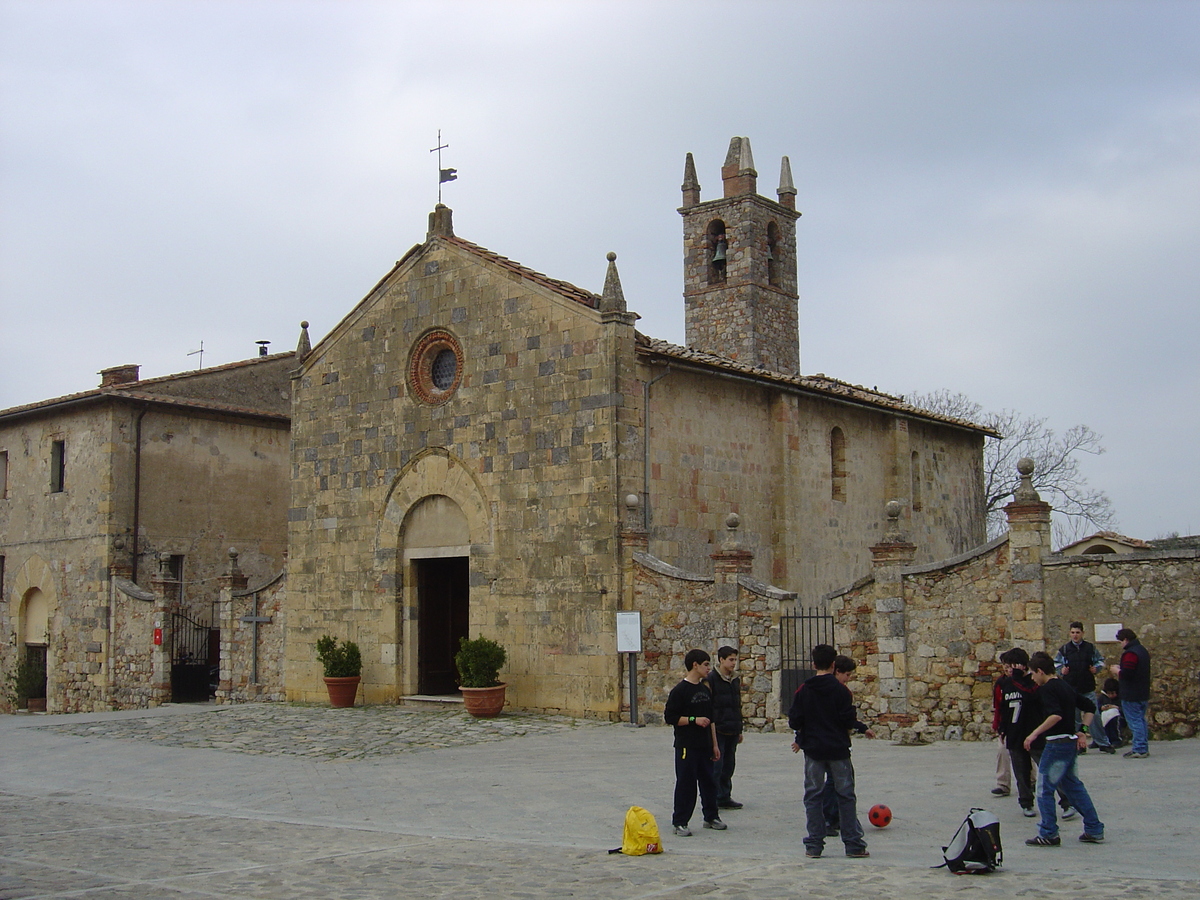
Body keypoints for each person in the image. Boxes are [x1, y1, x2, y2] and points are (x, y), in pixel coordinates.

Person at [788, 644, 873, 859]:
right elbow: (847, 719)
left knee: (813, 796)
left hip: (814, 750)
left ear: (813, 664)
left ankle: (814, 844)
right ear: (834, 664)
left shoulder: (804, 690)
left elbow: (795, 720)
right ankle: (853, 844)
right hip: (838, 749)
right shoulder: (841, 691)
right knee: (845, 796)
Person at [1023, 651, 1105, 846]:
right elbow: (1089, 706)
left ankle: (1049, 832)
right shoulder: (1065, 686)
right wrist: (1083, 730)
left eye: (1033, 674)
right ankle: (1094, 828)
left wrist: (1034, 734)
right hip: (1069, 743)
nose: (1033, 679)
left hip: (1056, 743)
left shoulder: (1047, 690)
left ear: (1040, 671)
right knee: (1073, 786)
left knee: (1044, 789)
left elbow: (1056, 715)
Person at [664, 648, 726, 836]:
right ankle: (680, 821)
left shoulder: (705, 689)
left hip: (705, 745)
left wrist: (714, 744)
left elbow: (711, 718)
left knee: (709, 782)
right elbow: (670, 717)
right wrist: (693, 720)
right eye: (706, 665)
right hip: (686, 745)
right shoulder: (680, 691)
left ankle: (711, 816)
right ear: (695, 665)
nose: (708, 668)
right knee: (686, 783)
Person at [818, 655, 875, 836]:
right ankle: (829, 818)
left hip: (823, 741)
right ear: (837, 671)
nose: (848, 679)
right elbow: (845, 718)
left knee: (836, 781)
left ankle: (833, 818)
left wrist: (861, 728)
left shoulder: (821, 689)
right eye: (847, 675)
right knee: (838, 781)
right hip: (834, 743)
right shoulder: (839, 692)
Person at [1054, 621, 1114, 754]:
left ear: (1082, 633)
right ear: (1069, 633)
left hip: (1087, 688)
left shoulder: (1090, 648)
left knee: (1094, 717)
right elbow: (1056, 664)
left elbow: (1100, 661)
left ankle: (1102, 742)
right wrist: (1061, 671)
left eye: (1078, 632)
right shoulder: (1064, 650)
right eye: (1073, 632)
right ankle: (1078, 745)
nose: (1075, 635)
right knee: (1075, 719)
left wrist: (1096, 668)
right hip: (1071, 689)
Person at [996, 648, 1039, 817]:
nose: (1009, 669)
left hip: (1032, 731)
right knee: (1020, 770)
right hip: (1014, 733)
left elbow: (1030, 696)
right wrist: (1002, 728)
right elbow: (1004, 707)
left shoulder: (1031, 682)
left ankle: (1065, 801)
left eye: (1012, 665)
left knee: (1046, 768)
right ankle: (1026, 802)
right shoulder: (1005, 684)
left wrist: (1018, 678)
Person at [707, 645, 744, 810]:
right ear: (721, 660)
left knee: (729, 765)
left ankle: (724, 796)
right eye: (730, 660)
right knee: (717, 766)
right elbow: (710, 706)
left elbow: (737, 705)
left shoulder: (735, 679)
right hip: (719, 728)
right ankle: (711, 797)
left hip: (733, 728)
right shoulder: (712, 679)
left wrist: (739, 729)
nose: (733, 663)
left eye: (735, 660)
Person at [1110, 628, 1152, 758]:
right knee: (1140, 720)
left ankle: (1139, 748)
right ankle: (1142, 746)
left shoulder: (1131, 653)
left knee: (1134, 721)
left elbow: (1128, 673)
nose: (1120, 644)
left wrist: (1117, 671)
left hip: (1131, 693)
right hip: (1142, 692)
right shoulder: (1142, 651)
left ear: (1126, 640)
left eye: (1120, 641)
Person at [990, 654, 1015, 797]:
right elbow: (998, 706)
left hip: (1022, 724)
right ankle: (1003, 783)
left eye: (1010, 665)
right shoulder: (1000, 683)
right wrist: (997, 725)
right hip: (1005, 724)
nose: (1007, 668)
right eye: (1005, 665)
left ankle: (1031, 781)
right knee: (1002, 751)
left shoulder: (1025, 682)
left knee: (1025, 754)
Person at [1098, 677, 1125, 748]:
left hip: (1118, 717)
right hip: (1104, 716)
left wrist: (1116, 707)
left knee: (1114, 719)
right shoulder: (1102, 697)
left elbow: (1125, 710)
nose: (1110, 695)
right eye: (1108, 693)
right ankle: (1099, 740)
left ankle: (1116, 739)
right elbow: (1097, 707)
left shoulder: (1121, 698)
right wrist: (1102, 708)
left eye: (1112, 693)